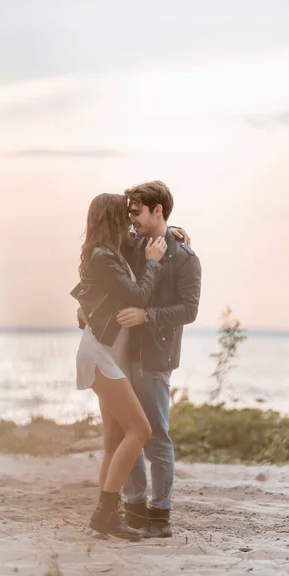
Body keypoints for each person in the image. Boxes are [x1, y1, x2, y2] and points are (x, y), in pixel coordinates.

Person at [70, 192, 168, 540]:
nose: (130, 221)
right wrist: (154, 261)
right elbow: (137, 296)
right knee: (140, 431)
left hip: (107, 353)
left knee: (113, 441)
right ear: (112, 219)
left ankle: (106, 516)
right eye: (124, 216)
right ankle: (105, 513)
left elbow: (147, 234)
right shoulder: (102, 257)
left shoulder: (108, 252)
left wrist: (175, 233)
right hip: (100, 354)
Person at [117, 181, 202, 538]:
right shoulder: (132, 246)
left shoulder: (185, 258)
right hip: (121, 355)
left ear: (158, 211)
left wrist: (146, 315)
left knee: (156, 437)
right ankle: (133, 508)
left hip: (155, 358)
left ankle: (160, 515)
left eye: (137, 212)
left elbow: (190, 310)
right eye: (129, 212)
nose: (131, 219)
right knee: (129, 434)